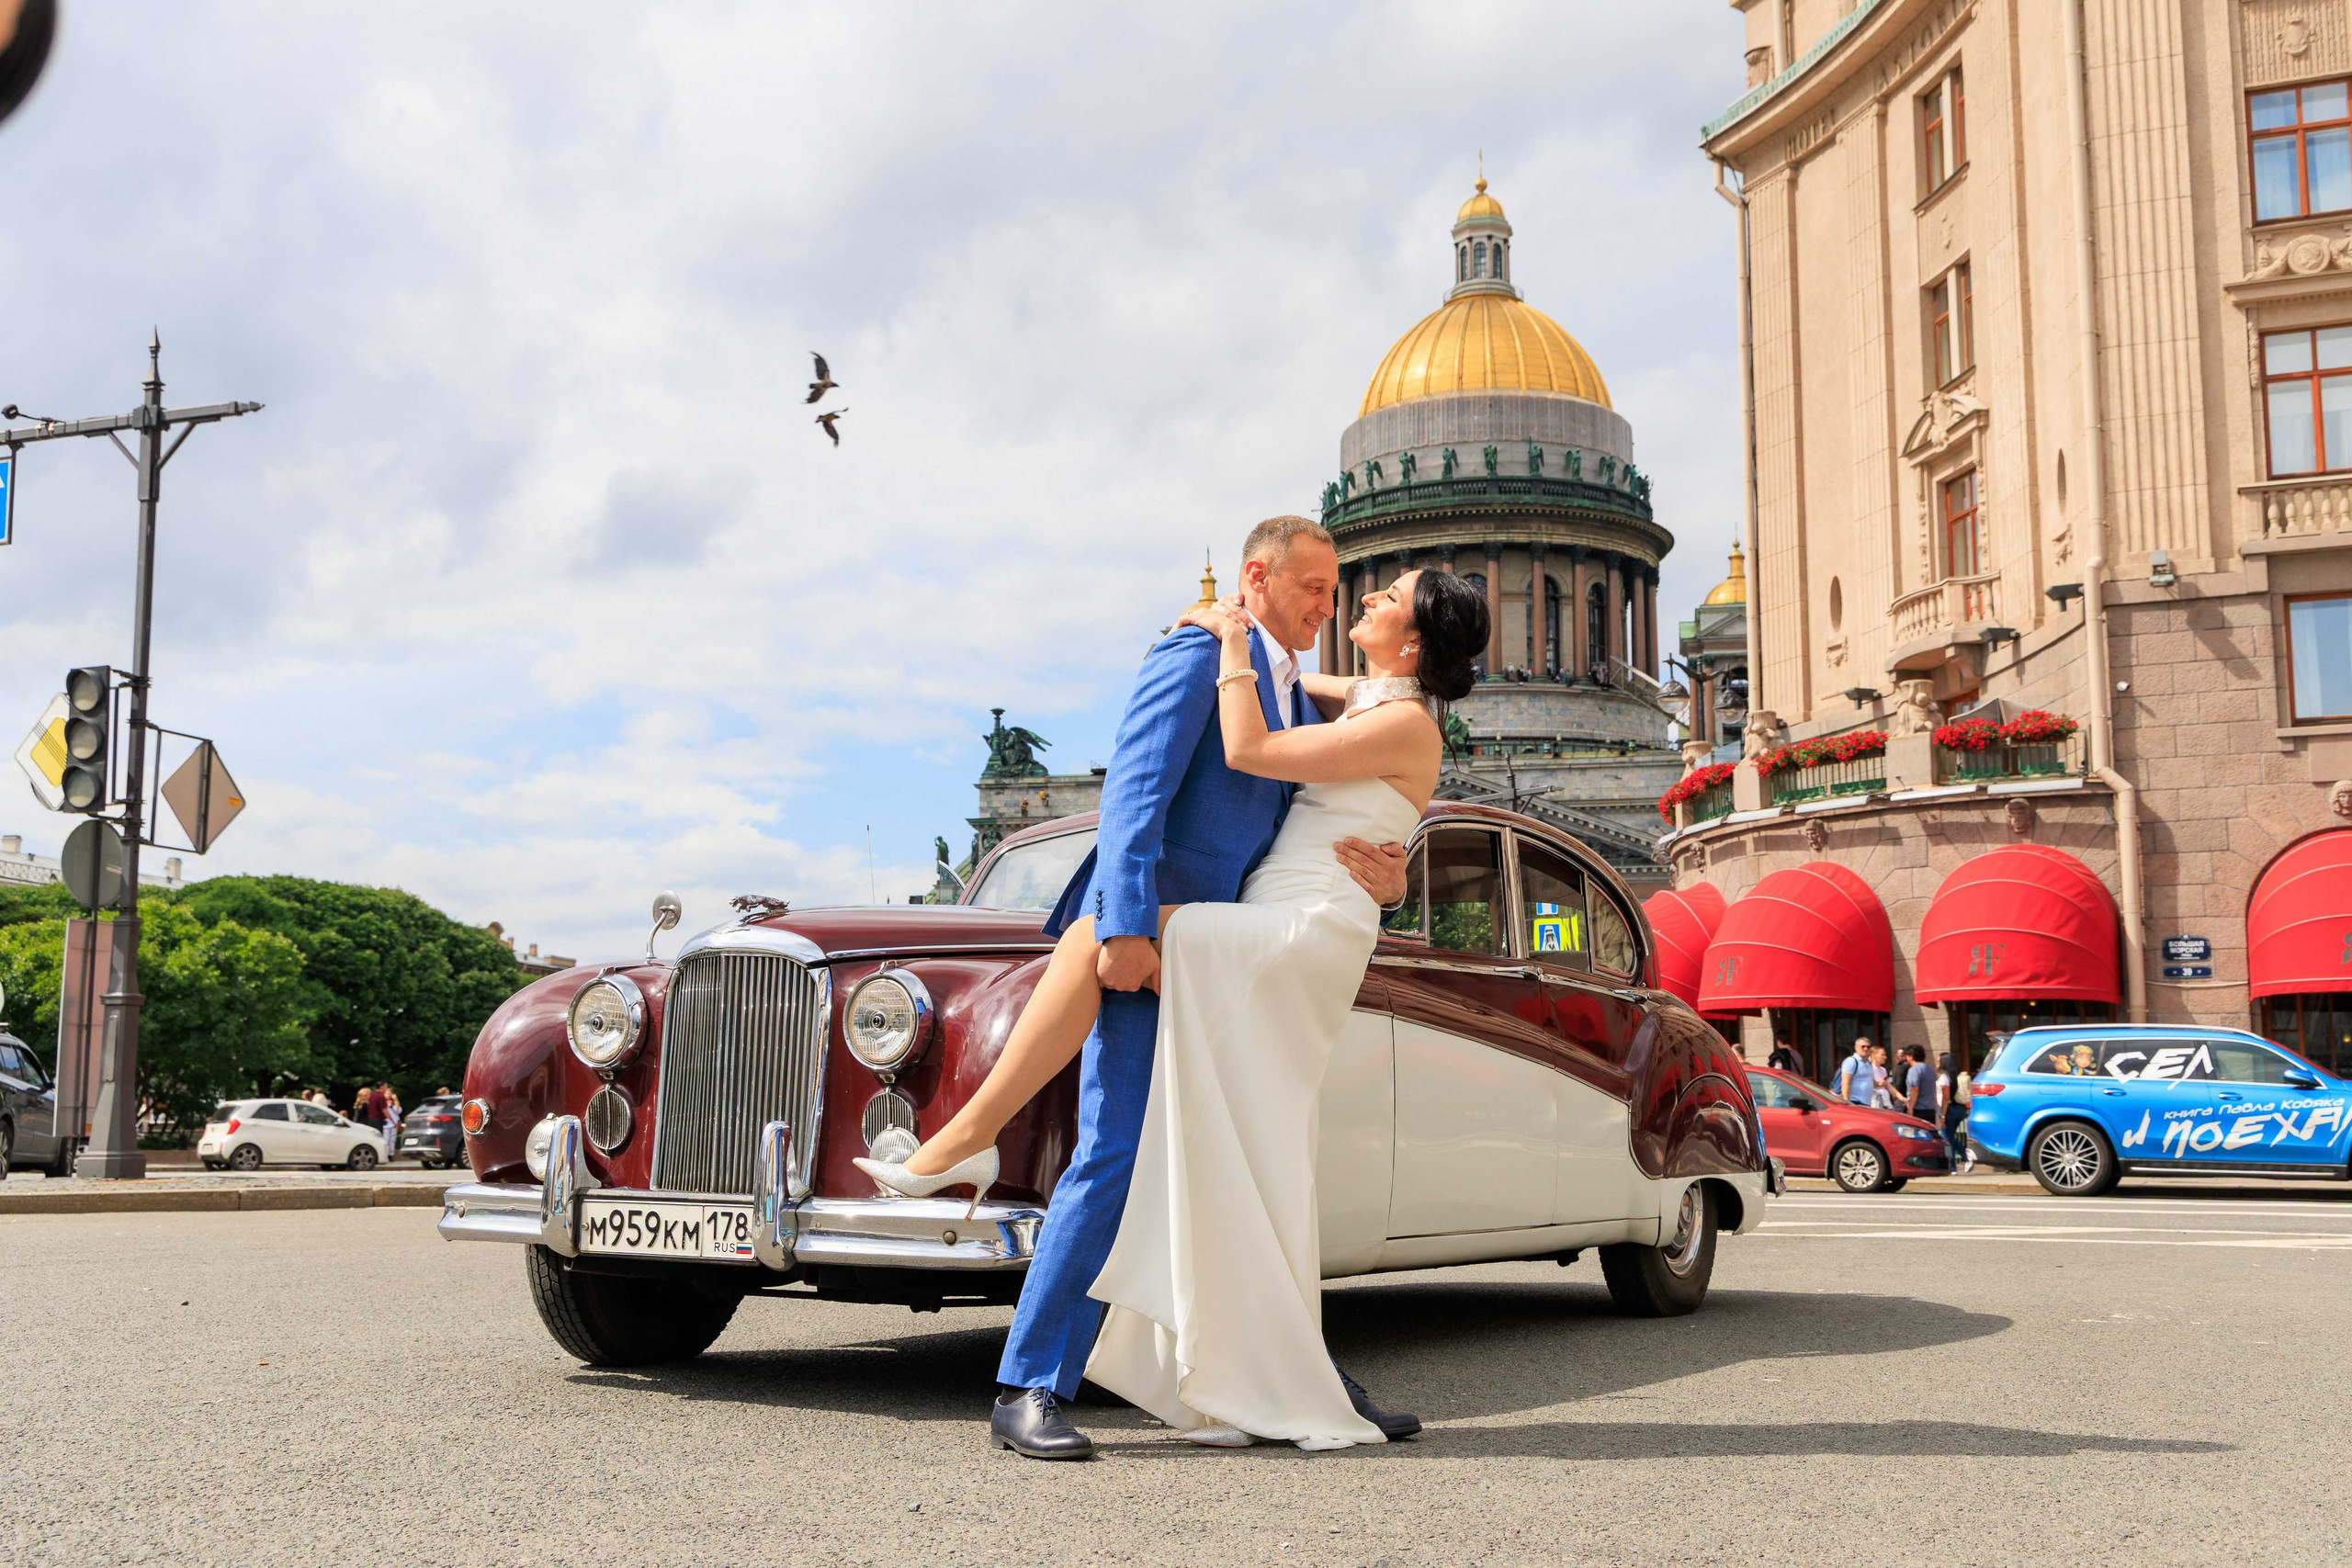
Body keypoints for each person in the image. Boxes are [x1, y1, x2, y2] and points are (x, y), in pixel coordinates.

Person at [860, 517, 1481, 1457]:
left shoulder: (1311, 697)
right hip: (1169, 945)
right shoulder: (1204, 658)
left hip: (1247, 948)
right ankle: (1029, 1378)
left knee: (1258, 1159)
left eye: (1353, 594)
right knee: (1120, 1153)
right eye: (1316, 588)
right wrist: (1120, 924)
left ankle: (1289, 1369)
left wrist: (1396, 870)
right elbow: (1134, 793)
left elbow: (1329, 775)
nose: (1333, 604)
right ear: (1255, 578)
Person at [1900, 1044, 1938, 1123]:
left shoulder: (1914, 1070)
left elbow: (1914, 1089)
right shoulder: (1930, 1069)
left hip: (1918, 1110)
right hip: (1930, 1109)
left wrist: (1910, 1108)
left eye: (1907, 1056)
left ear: (1911, 1056)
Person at [1834, 1039, 1874, 1105]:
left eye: (1868, 1047)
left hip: (1867, 1102)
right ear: (1856, 1048)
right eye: (1863, 1046)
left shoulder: (1868, 1063)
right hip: (1855, 1101)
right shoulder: (1852, 1061)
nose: (1866, 1049)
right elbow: (1845, 1083)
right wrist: (1847, 1103)